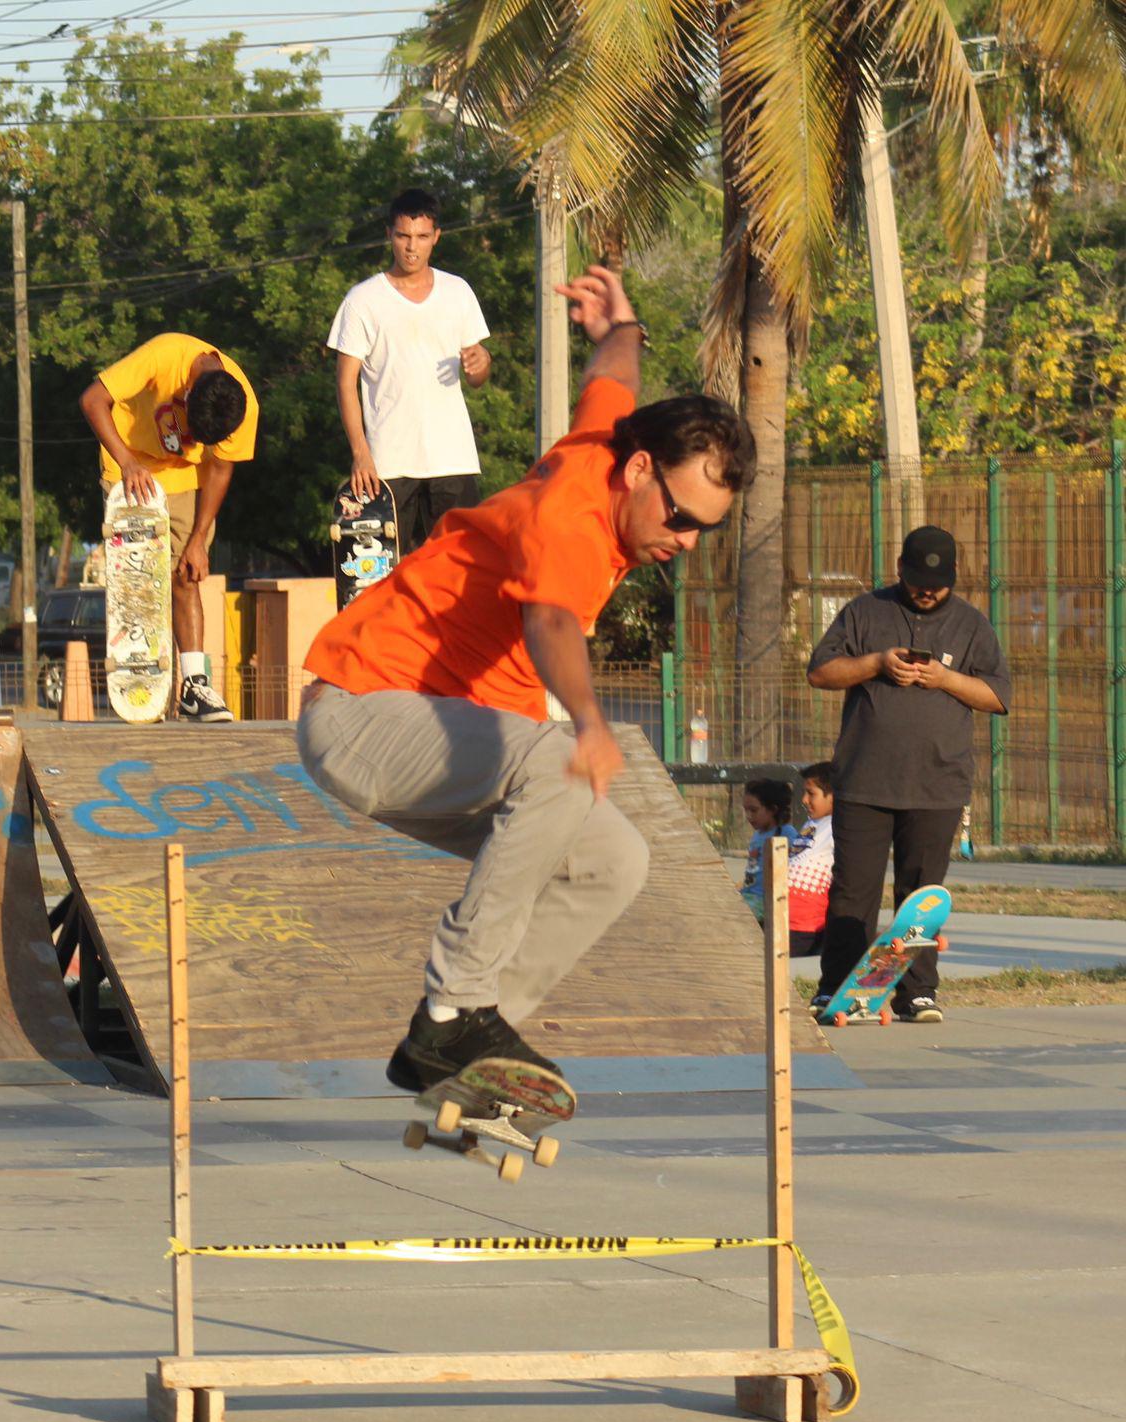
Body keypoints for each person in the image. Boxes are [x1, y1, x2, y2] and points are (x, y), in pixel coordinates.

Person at [298, 264, 755, 1092]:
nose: (685, 540)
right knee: (560, 760)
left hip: (434, 733)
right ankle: (453, 1008)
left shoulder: (610, 444)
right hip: (364, 712)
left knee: (615, 857)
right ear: (643, 471)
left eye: (704, 531)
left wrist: (623, 325)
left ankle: (469, 1051)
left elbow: (612, 378)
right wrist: (587, 720)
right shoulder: (572, 520)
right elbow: (549, 622)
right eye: (681, 518)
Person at [806, 526, 1010, 1021]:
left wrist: (946, 679)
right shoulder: (866, 611)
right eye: (918, 580)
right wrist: (875, 663)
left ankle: (917, 991)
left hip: (937, 783)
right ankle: (837, 987)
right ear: (900, 568)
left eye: (937, 584)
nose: (927, 591)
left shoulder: (971, 625)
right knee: (853, 889)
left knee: (921, 896)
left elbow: (998, 696)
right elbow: (820, 672)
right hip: (863, 780)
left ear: (954, 578)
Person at [80, 333, 259, 722]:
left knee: (186, 575)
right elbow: (93, 400)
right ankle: (141, 674)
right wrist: (127, 462)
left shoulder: (240, 401)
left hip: (184, 478)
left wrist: (198, 540)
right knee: (139, 579)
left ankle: (194, 687)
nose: (193, 440)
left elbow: (221, 467)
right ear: (188, 390)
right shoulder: (164, 355)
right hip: (128, 461)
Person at [327, 187, 492, 553]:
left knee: (459, 569)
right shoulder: (362, 300)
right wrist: (360, 452)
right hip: (388, 464)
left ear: (436, 237)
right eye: (403, 236)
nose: (411, 247)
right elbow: (345, 382)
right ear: (389, 235)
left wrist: (481, 363)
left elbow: (478, 377)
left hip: (452, 459)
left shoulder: (457, 292)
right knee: (389, 573)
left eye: (421, 237)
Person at [787, 761, 835, 957]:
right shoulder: (811, 823)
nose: (804, 800)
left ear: (834, 795)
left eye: (811, 794)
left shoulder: (838, 825)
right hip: (784, 918)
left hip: (806, 928)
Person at [739, 779, 799, 921]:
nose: (748, 816)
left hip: (764, 900)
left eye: (753, 810)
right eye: (746, 810)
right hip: (748, 895)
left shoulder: (787, 835)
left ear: (773, 809)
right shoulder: (757, 835)